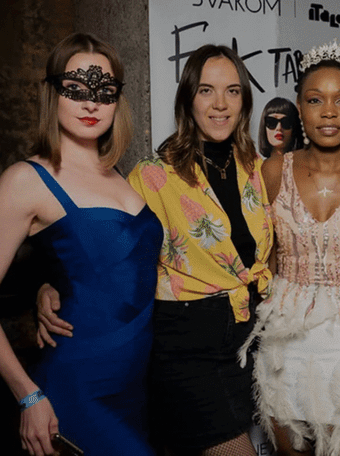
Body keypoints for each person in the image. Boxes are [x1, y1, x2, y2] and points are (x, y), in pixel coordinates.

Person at [0, 32, 158, 456]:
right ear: (53, 93)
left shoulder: (122, 175)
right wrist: (28, 395)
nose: (91, 103)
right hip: (78, 389)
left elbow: (105, 268)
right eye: (76, 89)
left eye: (104, 92)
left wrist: (51, 286)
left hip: (137, 389)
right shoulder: (26, 180)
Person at [126, 43, 273, 456]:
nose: (220, 104)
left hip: (251, 340)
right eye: (206, 90)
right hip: (187, 346)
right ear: (188, 98)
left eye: (232, 91)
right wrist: (53, 284)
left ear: (244, 101)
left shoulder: (259, 169)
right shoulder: (152, 176)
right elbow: (115, 256)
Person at [247, 40, 340, 456]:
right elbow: (265, 253)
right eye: (315, 100)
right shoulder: (274, 170)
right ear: (299, 107)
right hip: (285, 336)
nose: (329, 112)